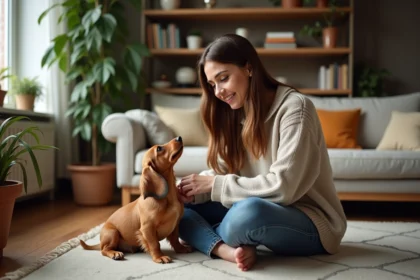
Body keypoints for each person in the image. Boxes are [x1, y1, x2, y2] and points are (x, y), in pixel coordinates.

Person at [177, 34, 347, 272]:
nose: (218, 92)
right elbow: (226, 171)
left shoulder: (296, 109)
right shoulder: (236, 111)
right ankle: (225, 249)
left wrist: (214, 185)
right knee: (175, 208)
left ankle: (220, 234)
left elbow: (283, 188)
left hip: (309, 220)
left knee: (245, 215)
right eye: (212, 84)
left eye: (223, 78)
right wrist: (191, 191)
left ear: (248, 68)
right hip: (257, 205)